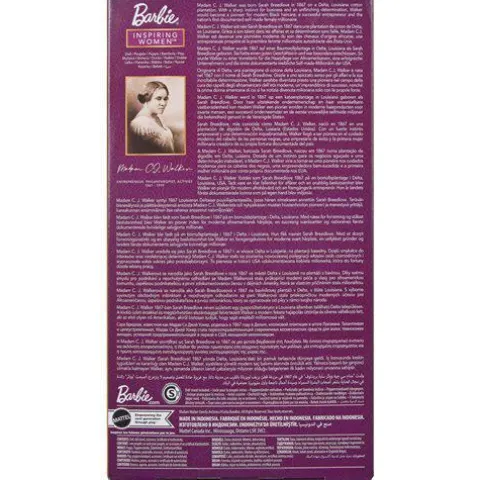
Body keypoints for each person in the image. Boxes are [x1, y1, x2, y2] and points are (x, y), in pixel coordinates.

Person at [129, 81, 175, 154]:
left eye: (165, 99)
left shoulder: (157, 117)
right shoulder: (140, 124)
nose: (163, 103)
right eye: (158, 98)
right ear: (147, 98)